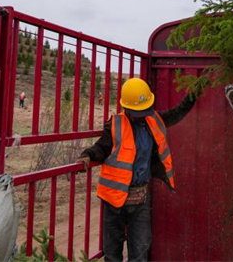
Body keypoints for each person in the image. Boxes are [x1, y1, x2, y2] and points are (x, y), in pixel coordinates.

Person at [78, 77, 198, 262]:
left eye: (144, 110)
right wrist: (88, 155)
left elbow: (177, 113)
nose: (142, 114)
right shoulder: (115, 124)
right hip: (114, 201)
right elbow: (101, 147)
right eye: (137, 111)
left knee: (140, 252)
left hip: (140, 199)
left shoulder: (154, 120)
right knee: (112, 254)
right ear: (127, 108)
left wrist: (193, 95)